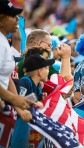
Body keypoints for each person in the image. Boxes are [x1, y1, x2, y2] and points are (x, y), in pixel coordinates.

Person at [0, 0, 32, 147]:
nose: (17, 19)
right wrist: (14, 98)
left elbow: (6, 78)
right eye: (12, 16)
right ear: (1, 20)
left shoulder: (4, 41)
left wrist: (18, 104)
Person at [11, 52, 55, 148]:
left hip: (29, 130)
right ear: (39, 71)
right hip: (19, 127)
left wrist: (41, 100)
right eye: (47, 68)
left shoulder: (38, 87)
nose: (48, 71)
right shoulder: (25, 81)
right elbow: (17, 101)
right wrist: (36, 103)